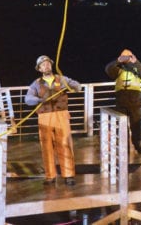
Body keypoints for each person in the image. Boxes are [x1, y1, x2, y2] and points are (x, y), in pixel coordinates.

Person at [25, 55, 82, 186]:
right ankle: (50, 176)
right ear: (39, 69)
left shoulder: (62, 79)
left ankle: (68, 175)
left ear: (51, 65)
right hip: (45, 117)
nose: (46, 66)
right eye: (43, 65)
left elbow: (78, 86)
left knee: (65, 144)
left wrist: (69, 86)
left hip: (61, 115)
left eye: (48, 63)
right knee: (47, 147)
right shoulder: (36, 84)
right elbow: (27, 99)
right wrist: (39, 100)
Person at [105, 49, 141, 153]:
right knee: (122, 124)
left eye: (127, 57)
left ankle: (137, 143)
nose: (126, 59)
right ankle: (125, 147)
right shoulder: (118, 68)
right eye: (124, 56)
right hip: (121, 99)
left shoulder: (137, 68)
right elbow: (108, 69)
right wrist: (118, 60)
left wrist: (136, 62)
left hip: (135, 99)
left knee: (136, 125)